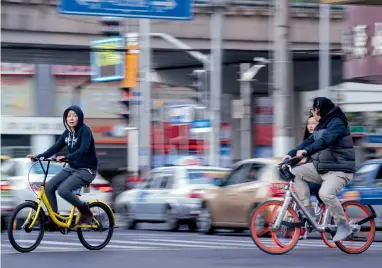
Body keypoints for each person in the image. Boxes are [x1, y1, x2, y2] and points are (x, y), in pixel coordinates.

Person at [284, 97, 355, 242]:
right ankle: (309, 213)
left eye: (313, 109)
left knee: (325, 194)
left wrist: (305, 152)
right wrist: (291, 154)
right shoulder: (321, 125)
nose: (312, 111)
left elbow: (324, 141)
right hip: (322, 169)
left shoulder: (338, 123)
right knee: (296, 173)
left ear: (320, 110)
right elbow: (308, 142)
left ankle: (343, 225)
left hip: (340, 170)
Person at [27, 105, 98, 229]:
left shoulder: (84, 130)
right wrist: (39, 156)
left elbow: (84, 149)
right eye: (68, 116)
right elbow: (55, 147)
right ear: (65, 118)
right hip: (72, 168)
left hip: (86, 170)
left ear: (79, 117)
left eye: (74, 115)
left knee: (63, 190)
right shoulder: (67, 133)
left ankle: (86, 212)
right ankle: (54, 219)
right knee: (48, 187)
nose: (71, 118)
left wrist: (67, 157)